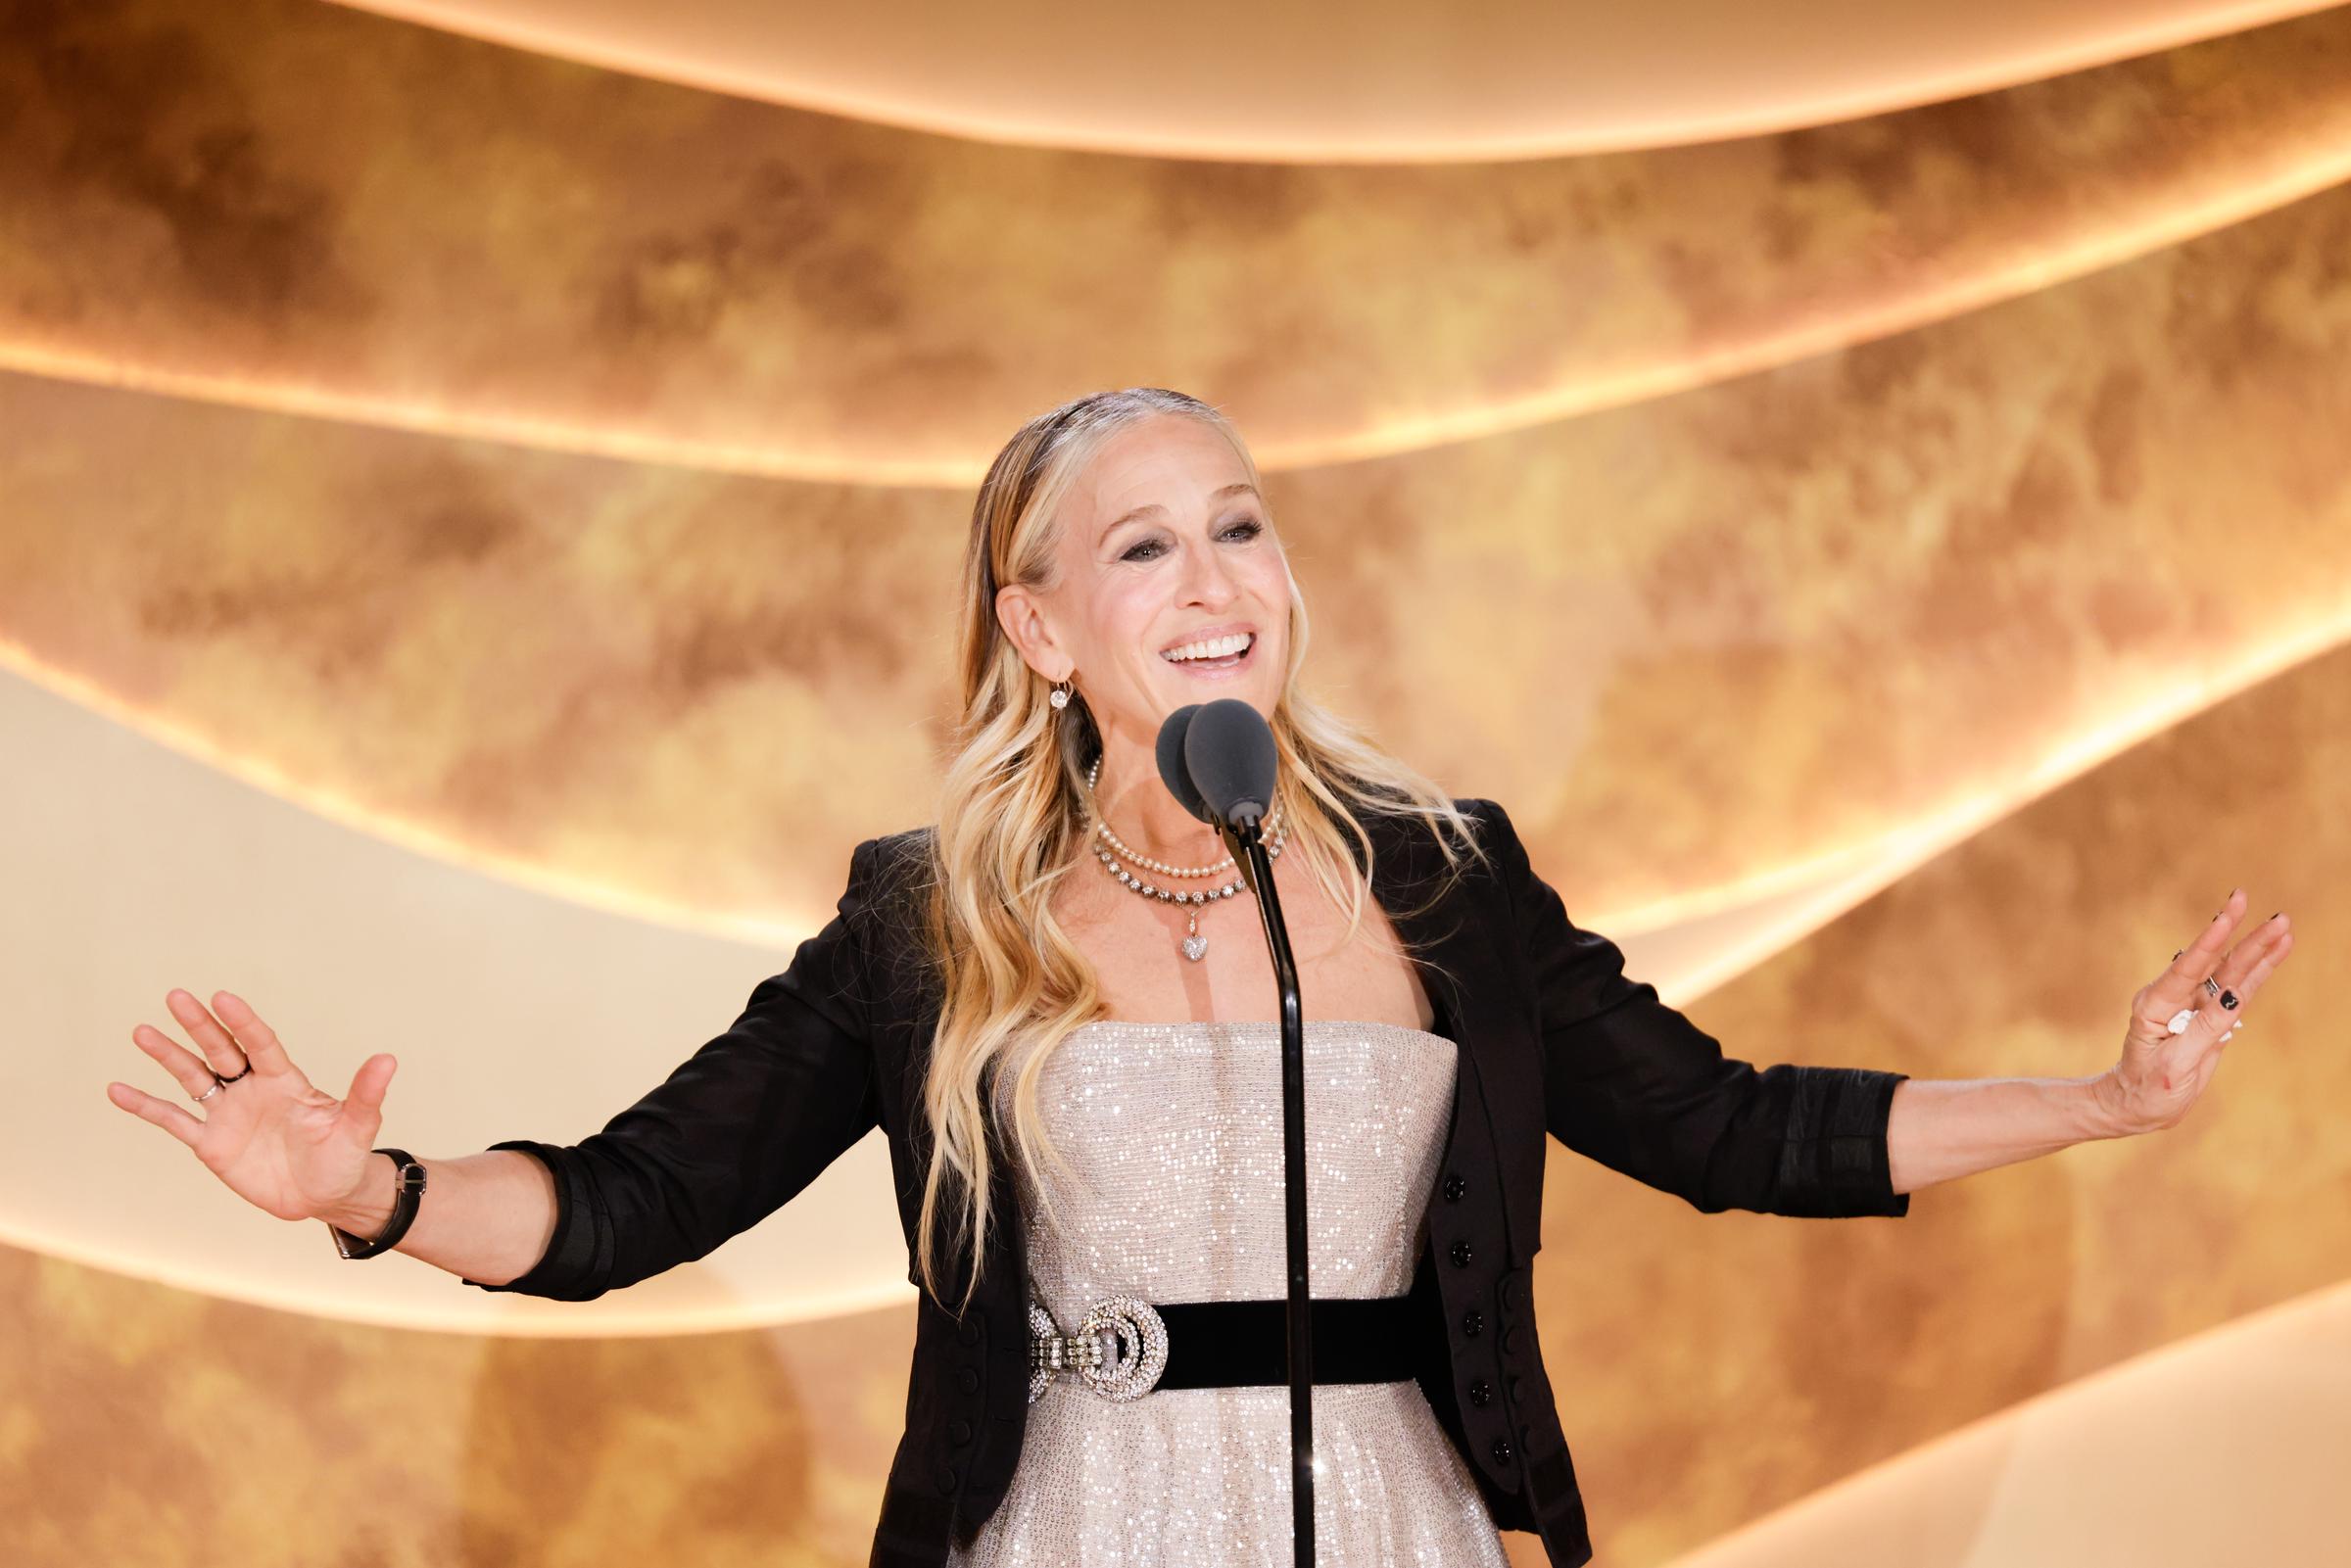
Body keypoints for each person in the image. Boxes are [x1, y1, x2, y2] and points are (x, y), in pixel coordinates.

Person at [107, 387, 2294, 1568]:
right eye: (1144, 544)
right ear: (1042, 630)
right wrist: (366, 1189)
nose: (1219, 575)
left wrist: (2097, 1100)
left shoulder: (1445, 886)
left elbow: (1734, 1129)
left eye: (1242, 522)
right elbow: (631, 1203)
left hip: (1404, 1528)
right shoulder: (923, 919)